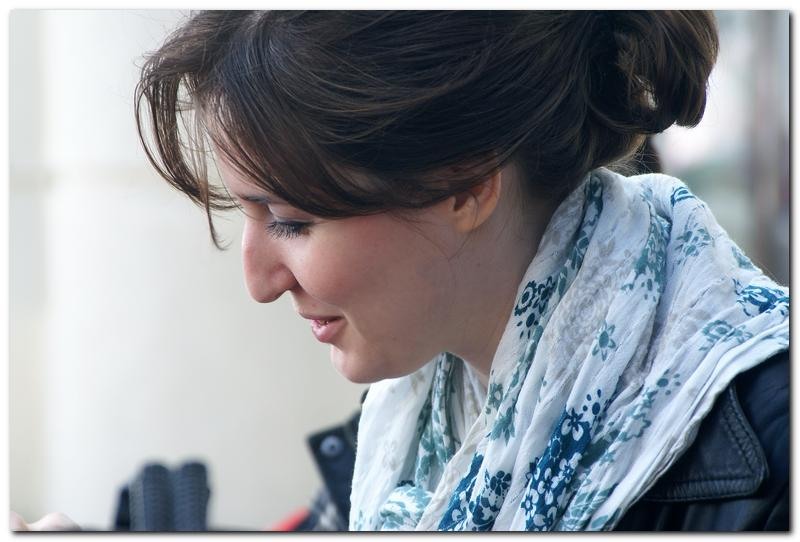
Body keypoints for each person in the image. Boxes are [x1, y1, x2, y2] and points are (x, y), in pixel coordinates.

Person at [131, 10, 789, 531]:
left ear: (465, 187)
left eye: (291, 220)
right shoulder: (409, 431)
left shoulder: (773, 457)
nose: (259, 282)